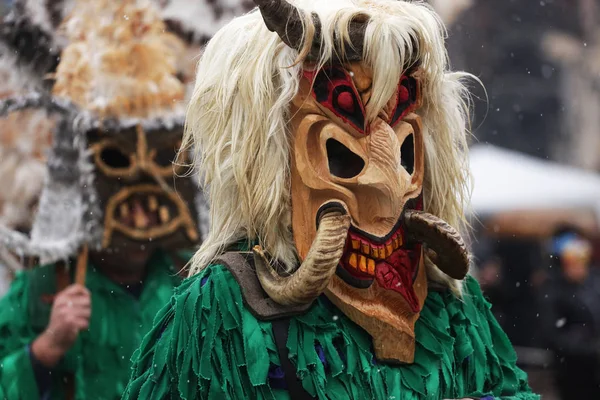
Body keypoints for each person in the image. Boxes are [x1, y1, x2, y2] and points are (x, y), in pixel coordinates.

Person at [124, 1, 538, 399]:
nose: (388, 190)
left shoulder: (449, 300)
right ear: (270, 159)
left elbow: (512, 391)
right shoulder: (223, 308)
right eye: (340, 154)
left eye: (405, 151)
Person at [0, 1, 207, 398]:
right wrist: (46, 348)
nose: (143, 206)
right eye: (116, 161)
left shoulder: (196, 286)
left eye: (162, 159)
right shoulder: (42, 291)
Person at [544, 227, 600, 398]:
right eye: (573, 264)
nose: (578, 269)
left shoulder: (593, 285)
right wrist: (588, 347)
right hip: (571, 369)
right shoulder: (555, 291)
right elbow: (552, 334)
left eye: (581, 263)